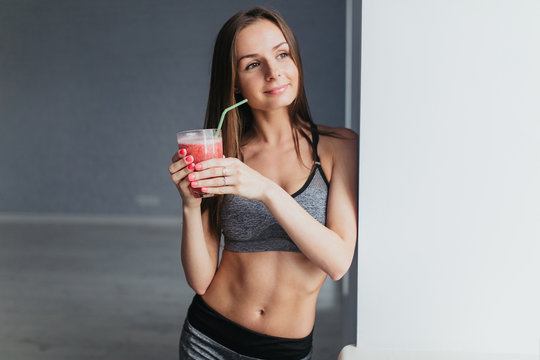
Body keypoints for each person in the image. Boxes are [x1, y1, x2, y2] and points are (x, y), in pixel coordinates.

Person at [168, 7, 357, 360]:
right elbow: (200, 280)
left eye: (282, 54)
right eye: (253, 64)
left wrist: (268, 190)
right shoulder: (224, 155)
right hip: (208, 338)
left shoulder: (337, 148)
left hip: (284, 350)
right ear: (236, 81)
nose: (274, 72)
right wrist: (191, 206)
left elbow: (337, 261)